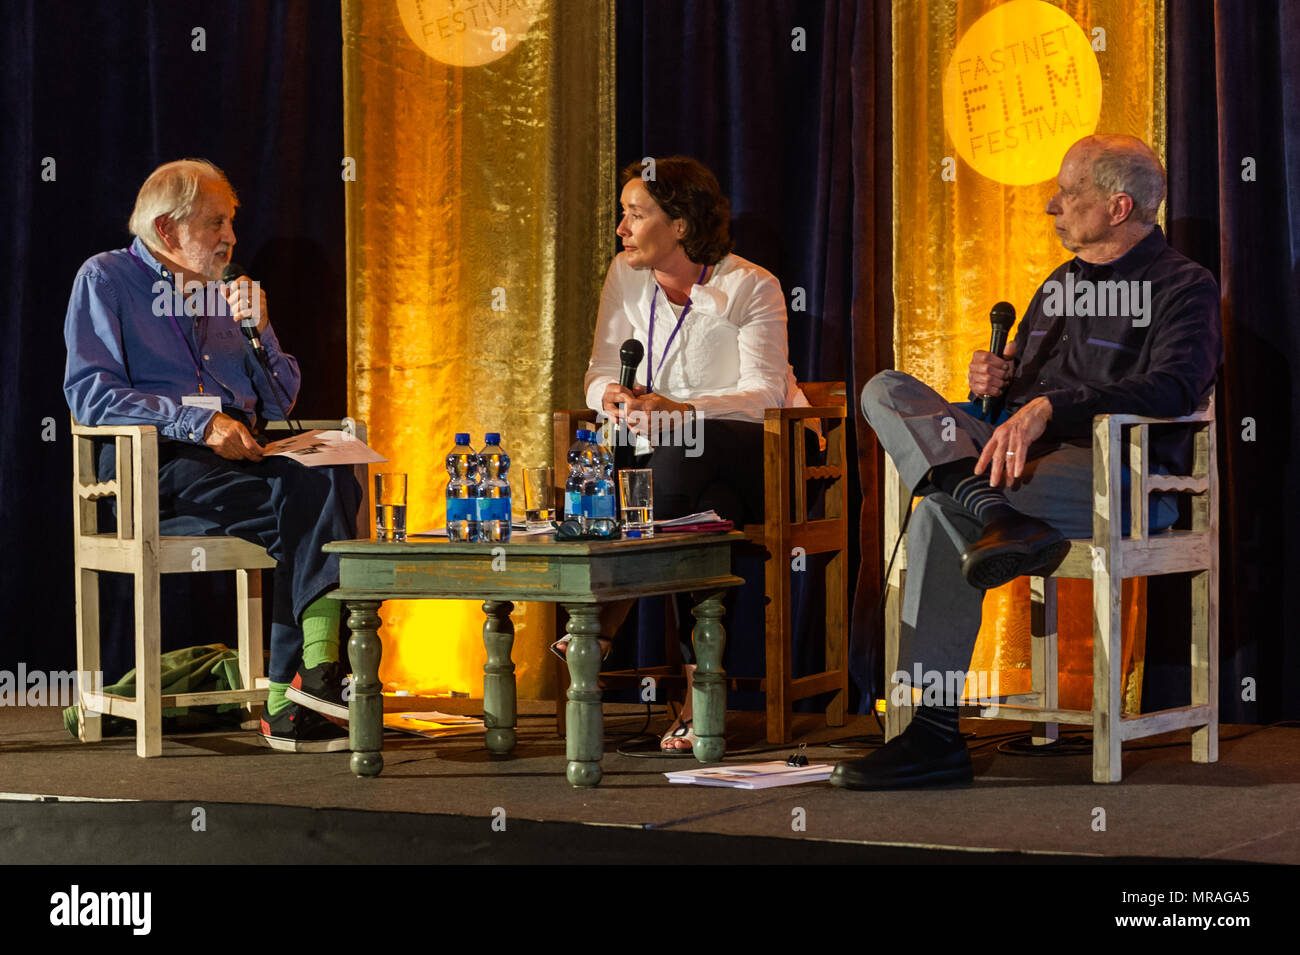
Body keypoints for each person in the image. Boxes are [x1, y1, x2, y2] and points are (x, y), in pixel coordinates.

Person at [833, 134, 1222, 790]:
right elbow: (1010, 405)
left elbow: (1174, 388)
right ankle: (987, 511)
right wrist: (999, 385)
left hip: (1113, 473)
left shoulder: (1184, 285)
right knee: (885, 389)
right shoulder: (1057, 286)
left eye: (1069, 194)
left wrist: (1049, 407)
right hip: (1019, 469)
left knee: (934, 510)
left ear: (1119, 205)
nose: (1051, 206)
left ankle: (930, 733)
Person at [63, 159, 361, 753]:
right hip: (157, 466)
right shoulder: (106, 278)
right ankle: (296, 691)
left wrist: (264, 330)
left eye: (232, 224)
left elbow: (279, 398)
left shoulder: (226, 294)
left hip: (241, 460)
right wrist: (198, 424)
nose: (230, 237)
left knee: (332, 472)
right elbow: (89, 394)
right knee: (307, 516)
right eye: (216, 223)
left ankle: (308, 683)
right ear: (168, 230)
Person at [576, 155, 812, 751]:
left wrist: (680, 411)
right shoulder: (624, 277)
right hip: (673, 464)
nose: (622, 228)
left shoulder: (750, 286)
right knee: (700, 503)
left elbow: (764, 396)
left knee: (680, 462)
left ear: (680, 225)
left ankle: (600, 625)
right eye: (623, 215)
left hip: (754, 447)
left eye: (636, 215)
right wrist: (612, 397)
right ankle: (699, 692)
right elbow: (598, 372)